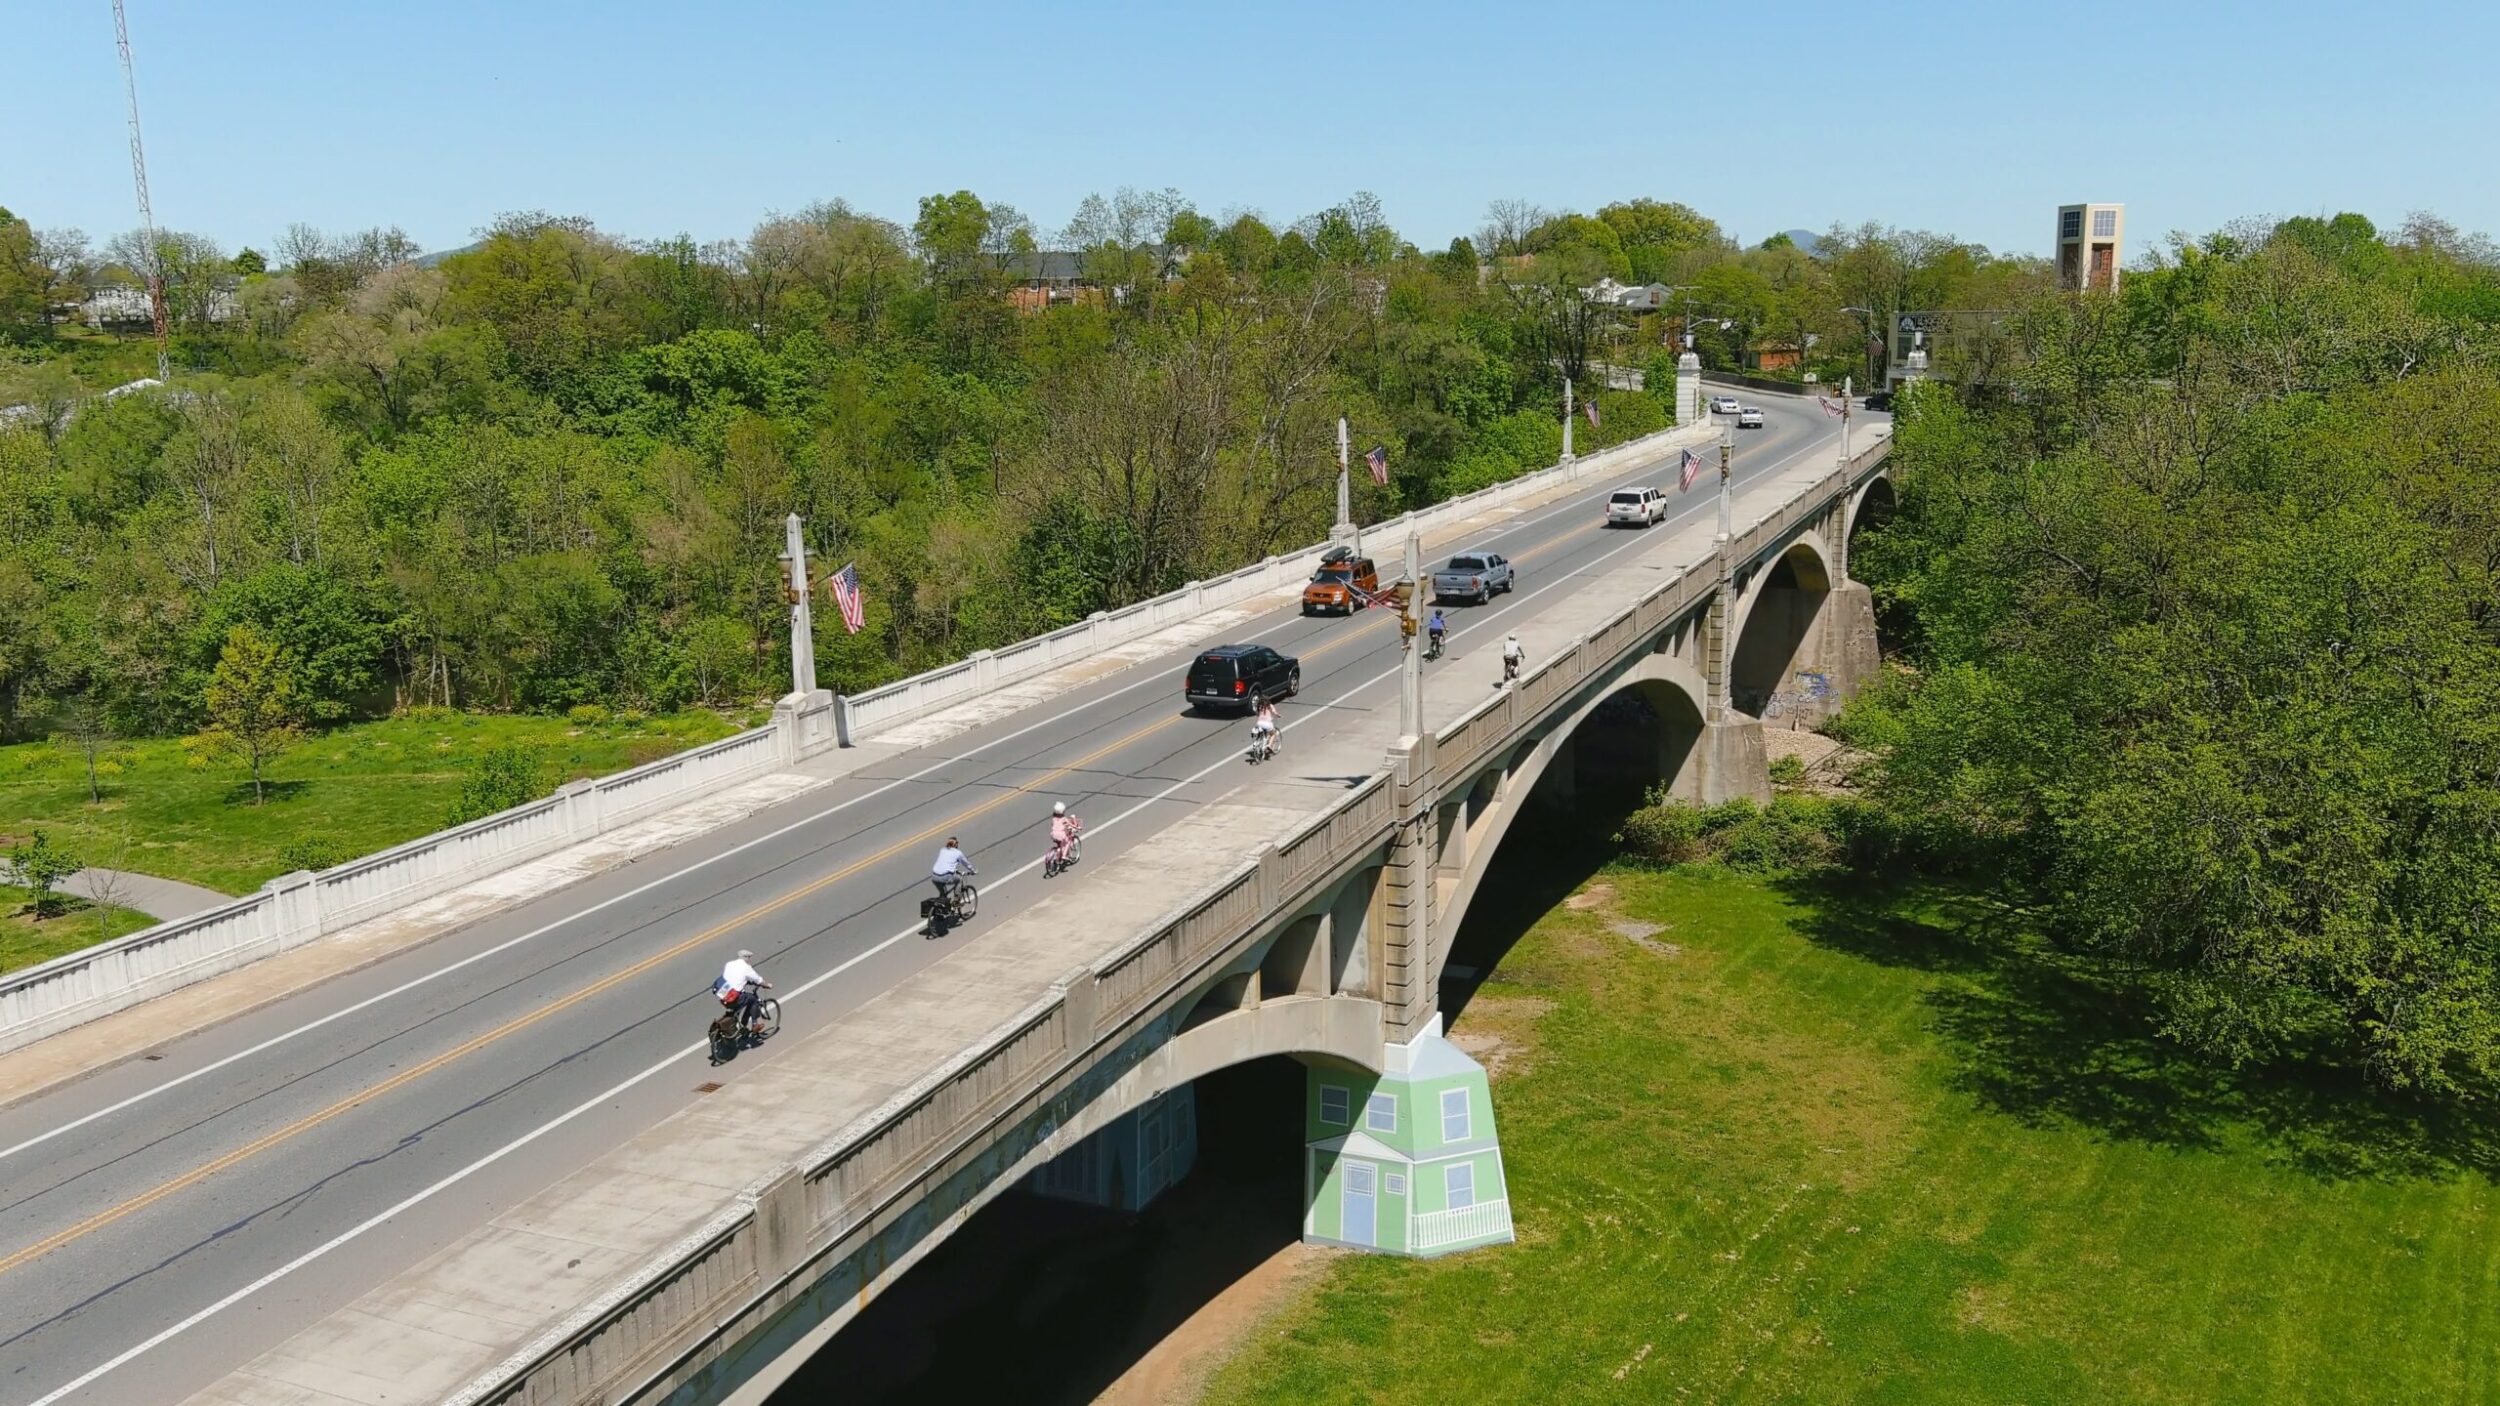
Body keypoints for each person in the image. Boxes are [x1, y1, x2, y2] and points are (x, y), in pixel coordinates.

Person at [718, 948, 771, 1033]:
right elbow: (758, 980)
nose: (749, 960)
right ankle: (754, 1025)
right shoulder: (746, 967)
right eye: (749, 957)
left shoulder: (729, 964)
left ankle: (738, 1026)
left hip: (723, 994)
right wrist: (767, 985)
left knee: (736, 1007)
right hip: (734, 996)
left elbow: (731, 977)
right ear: (746, 957)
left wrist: (745, 981)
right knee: (753, 1000)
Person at [931, 836, 974, 906]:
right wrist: (972, 870)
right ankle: (957, 901)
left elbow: (945, 862)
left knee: (943, 894)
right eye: (957, 843)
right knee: (959, 880)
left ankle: (941, 907)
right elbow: (966, 863)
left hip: (934, 876)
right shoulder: (958, 853)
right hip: (945, 876)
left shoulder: (942, 850)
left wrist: (953, 869)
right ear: (955, 844)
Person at [1048, 801, 1081, 867]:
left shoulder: (1054, 818)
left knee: (1060, 844)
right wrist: (1077, 827)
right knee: (1067, 842)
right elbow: (1071, 825)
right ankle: (1063, 856)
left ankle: (1057, 854)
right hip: (1061, 835)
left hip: (1053, 834)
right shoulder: (1064, 819)